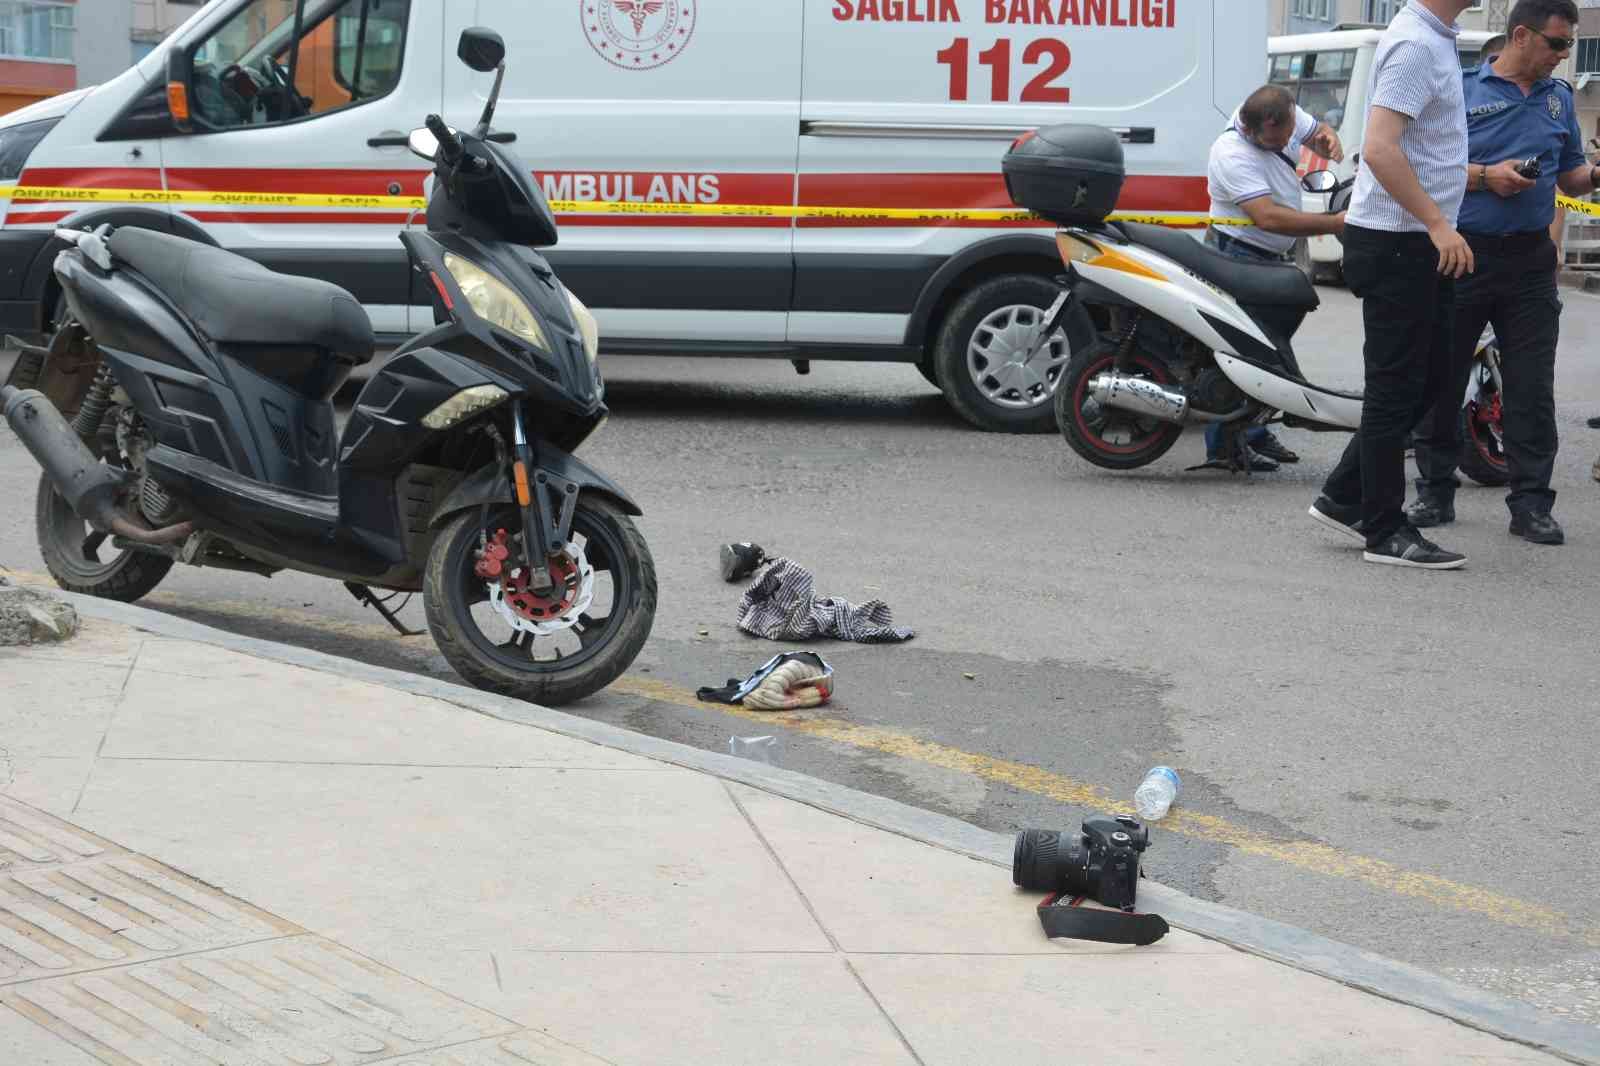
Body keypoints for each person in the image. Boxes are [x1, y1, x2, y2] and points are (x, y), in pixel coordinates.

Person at [1407, 0, 1591, 546]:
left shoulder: (1559, 100)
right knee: (1442, 376)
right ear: (1519, 36)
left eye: (1569, 45)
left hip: (1530, 261)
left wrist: (1596, 174)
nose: (1564, 56)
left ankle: (1531, 503)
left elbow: (1573, 179)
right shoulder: (1462, 91)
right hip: (1463, 252)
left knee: (1532, 387)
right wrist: (1488, 178)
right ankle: (1435, 490)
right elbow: (1423, 166)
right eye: (1557, 44)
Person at [1306, 0, 1475, 570]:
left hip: (1418, 242)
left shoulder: (1437, 37)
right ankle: (1383, 530)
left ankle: (1342, 496)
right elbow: (1379, 148)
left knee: (1435, 378)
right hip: (1399, 241)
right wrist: (1435, 222)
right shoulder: (1414, 45)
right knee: (1395, 390)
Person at [1202, 85, 1346, 472]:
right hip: (1239, 254)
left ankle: (1254, 431)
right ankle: (1224, 445)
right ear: (1255, 129)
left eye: (1288, 136)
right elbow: (1268, 217)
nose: (1286, 143)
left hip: (1272, 255)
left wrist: (1328, 141)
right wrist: (1333, 224)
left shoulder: (1283, 114)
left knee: (1266, 348)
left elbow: (1317, 134)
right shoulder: (1231, 153)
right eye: (1277, 140)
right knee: (1242, 350)